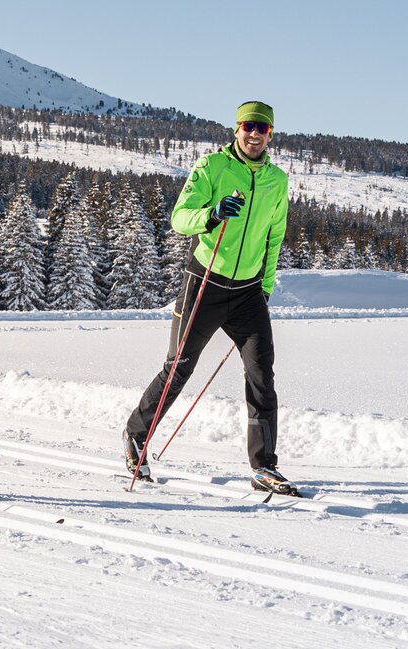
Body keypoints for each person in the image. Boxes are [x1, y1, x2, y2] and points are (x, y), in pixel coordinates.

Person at [122, 100, 296, 496]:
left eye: (263, 129)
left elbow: (274, 237)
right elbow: (180, 218)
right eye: (249, 126)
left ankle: (264, 466)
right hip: (206, 282)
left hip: (249, 290)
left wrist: (265, 287)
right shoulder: (213, 167)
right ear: (237, 129)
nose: (255, 134)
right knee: (179, 367)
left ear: (271, 135)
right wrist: (213, 214)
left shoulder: (276, 181)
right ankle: (136, 436)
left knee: (261, 376)